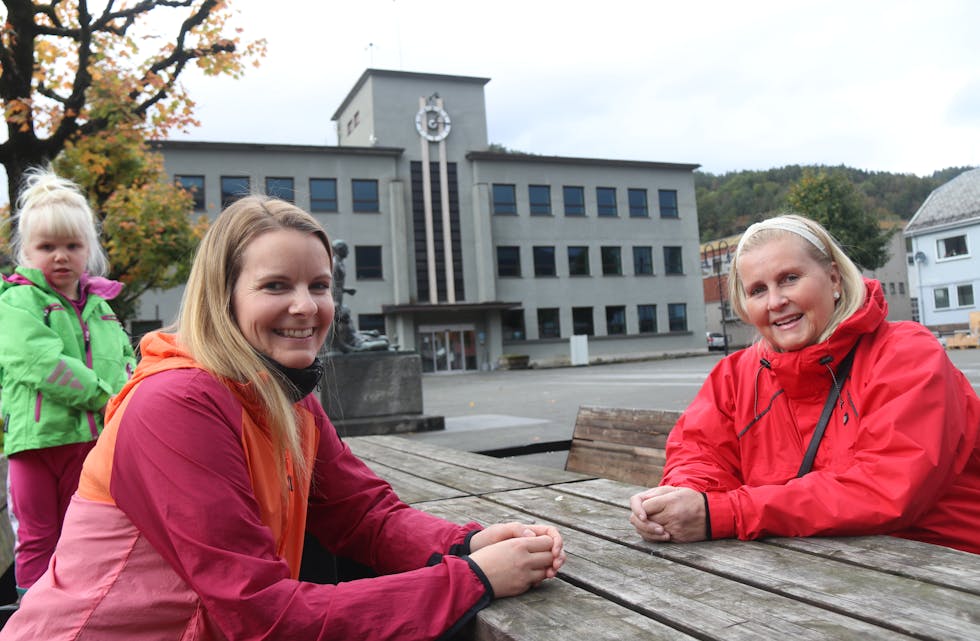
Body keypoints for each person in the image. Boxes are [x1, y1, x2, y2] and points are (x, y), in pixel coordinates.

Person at [0, 195, 565, 640]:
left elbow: (362, 514)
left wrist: (465, 542)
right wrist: (472, 580)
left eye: (320, 286)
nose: (306, 306)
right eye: (276, 285)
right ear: (223, 297)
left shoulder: (282, 391)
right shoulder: (176, 403)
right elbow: (261, 613)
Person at [630, 213, 980, 554]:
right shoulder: (735, 375)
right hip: (817, 569)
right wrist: (682, 499)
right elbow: (700, 453)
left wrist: (724, 513)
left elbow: (886, 487)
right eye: (757, 290)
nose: (776, 301)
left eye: (790, 278)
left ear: (834, 279)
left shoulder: (905, 353)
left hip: (945, 564)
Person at [0, 167, 135, 595]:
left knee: (86, 536)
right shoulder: (18, 301)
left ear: (89, 250)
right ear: (26, 252)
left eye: (72, 246)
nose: (60, 256)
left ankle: (79, 610)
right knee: (38, 538)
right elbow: (38, 361)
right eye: (47, 246)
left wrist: (130, 395)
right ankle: (33, 616)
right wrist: (106, 397)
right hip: (37, 444)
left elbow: (124, 362)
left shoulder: (102, 307)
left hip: (92, 443)